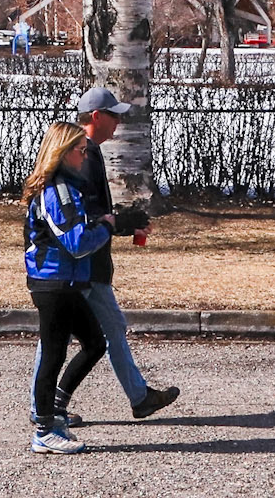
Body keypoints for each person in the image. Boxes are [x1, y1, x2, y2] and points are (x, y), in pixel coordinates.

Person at [57, 84, 180, 428]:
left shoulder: (85, 150)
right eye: (114, 116)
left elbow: (95, 211)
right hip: (80, 264)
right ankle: (49, 406)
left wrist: (124, 221)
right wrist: (121, 222)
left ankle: (139, 398)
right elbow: (84, 213)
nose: (118, 123)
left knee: (110, 328)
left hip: (91, 263)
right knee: (61, 336)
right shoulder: (82, 153)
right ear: (96, 117)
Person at [23, 119, 111, 455]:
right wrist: (106, 228)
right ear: (63, 153)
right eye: (79, 150)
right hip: (52, 282)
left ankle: (54, 415)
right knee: (55, 353)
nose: (84, 156)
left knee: (93, 343)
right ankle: (45, 428)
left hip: (65, 281)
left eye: (86, 150)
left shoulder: (68, 187)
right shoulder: (58, 190)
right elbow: (75, 243)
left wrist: (103, 224)